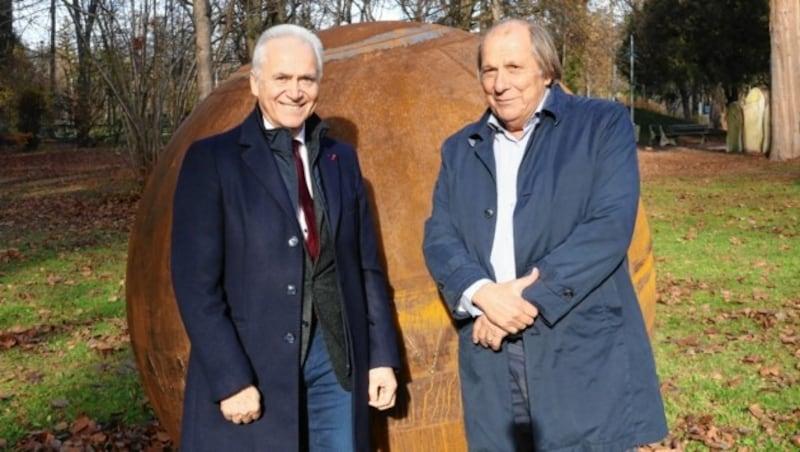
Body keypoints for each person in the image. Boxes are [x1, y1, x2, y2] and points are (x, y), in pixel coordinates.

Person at [422, 18, 668, 451]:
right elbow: (439, 236)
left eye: (514, 68)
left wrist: (517, 301)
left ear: (547, 70)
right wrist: (481, 293)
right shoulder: (460, 148)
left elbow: (608, 227)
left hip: (577, 346)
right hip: (491, 351)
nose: (500, 84)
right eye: (490, 70)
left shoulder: (601, 125)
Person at [171, 23, 400, 451]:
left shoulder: (342, 160)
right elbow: (194, 284)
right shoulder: (212, 160)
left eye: (306, 79)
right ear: (256, 82)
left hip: (337, 366)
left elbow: (365, 267)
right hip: (254, 366)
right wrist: (230, 377)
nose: (294, 91)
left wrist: (382, 357)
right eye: (281, 78)